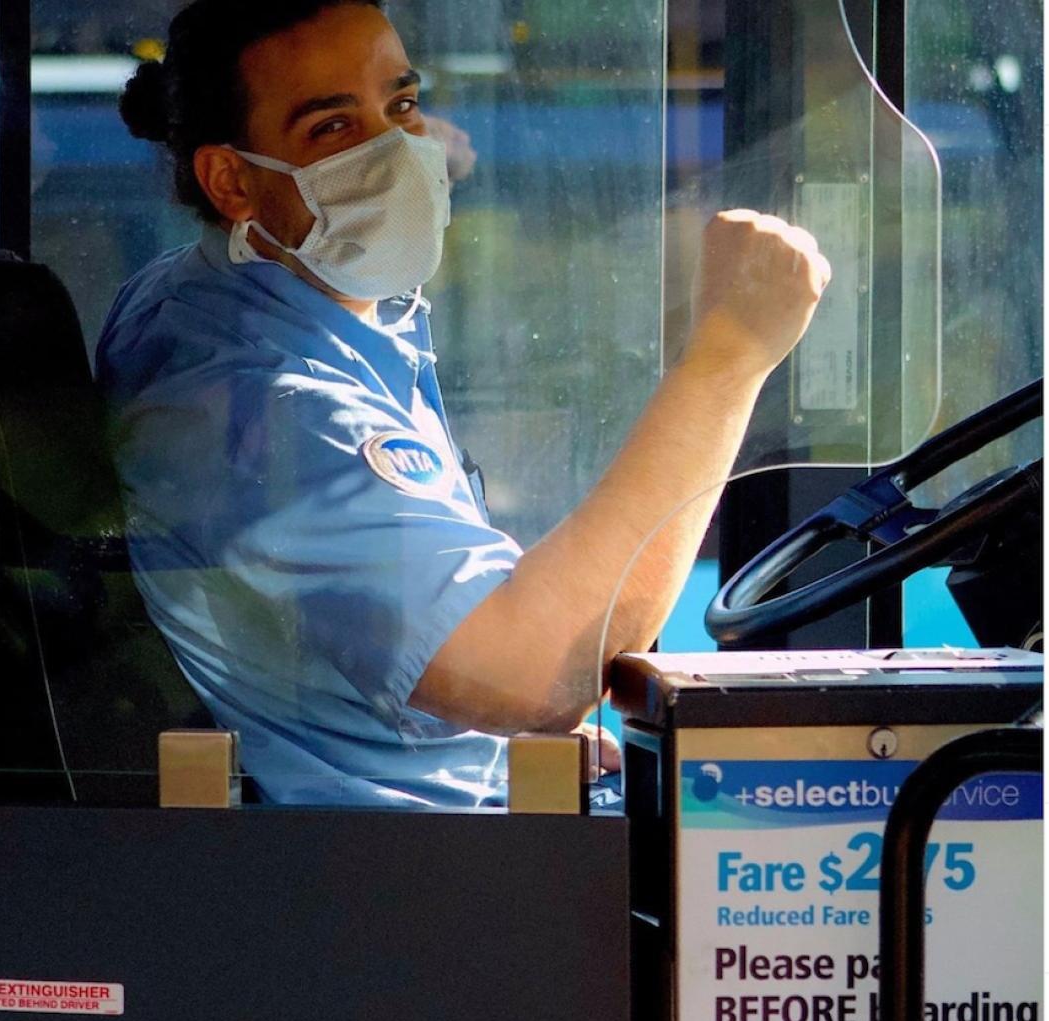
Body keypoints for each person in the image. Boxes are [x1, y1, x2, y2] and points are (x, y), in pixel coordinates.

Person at [98, 0, 829, 808]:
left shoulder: (194, 300)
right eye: (333, 130)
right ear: (231, 180)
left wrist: (497, 738)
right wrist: (728, 359)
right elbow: (539, 674)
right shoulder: (280, 412)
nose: (396, 152)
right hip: (427, 873)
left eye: (402, 106)